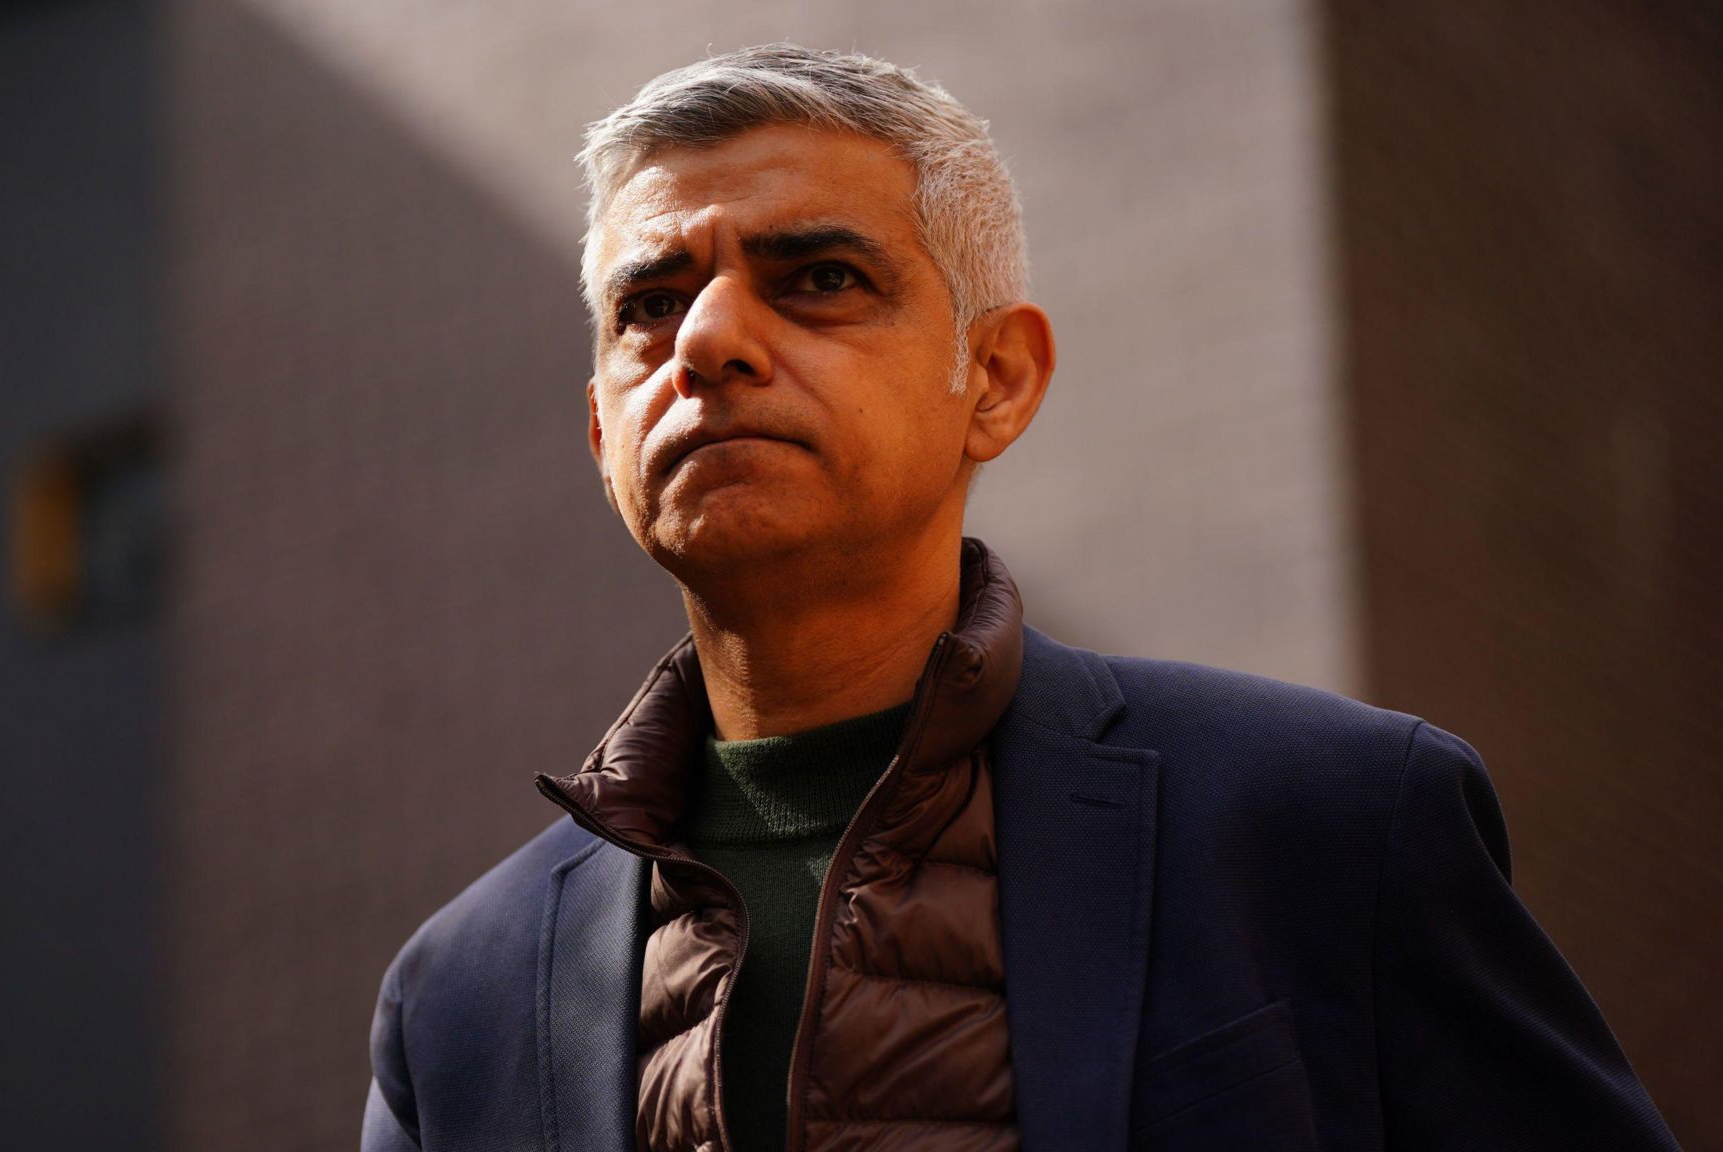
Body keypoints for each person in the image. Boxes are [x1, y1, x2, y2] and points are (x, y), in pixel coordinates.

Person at [360, 44, 1679, 1152]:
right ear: (603, 436)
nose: (706, 342)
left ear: (994, 378)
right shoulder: (457, 1000)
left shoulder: (1337, 826)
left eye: (819, 277)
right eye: (650, 303)